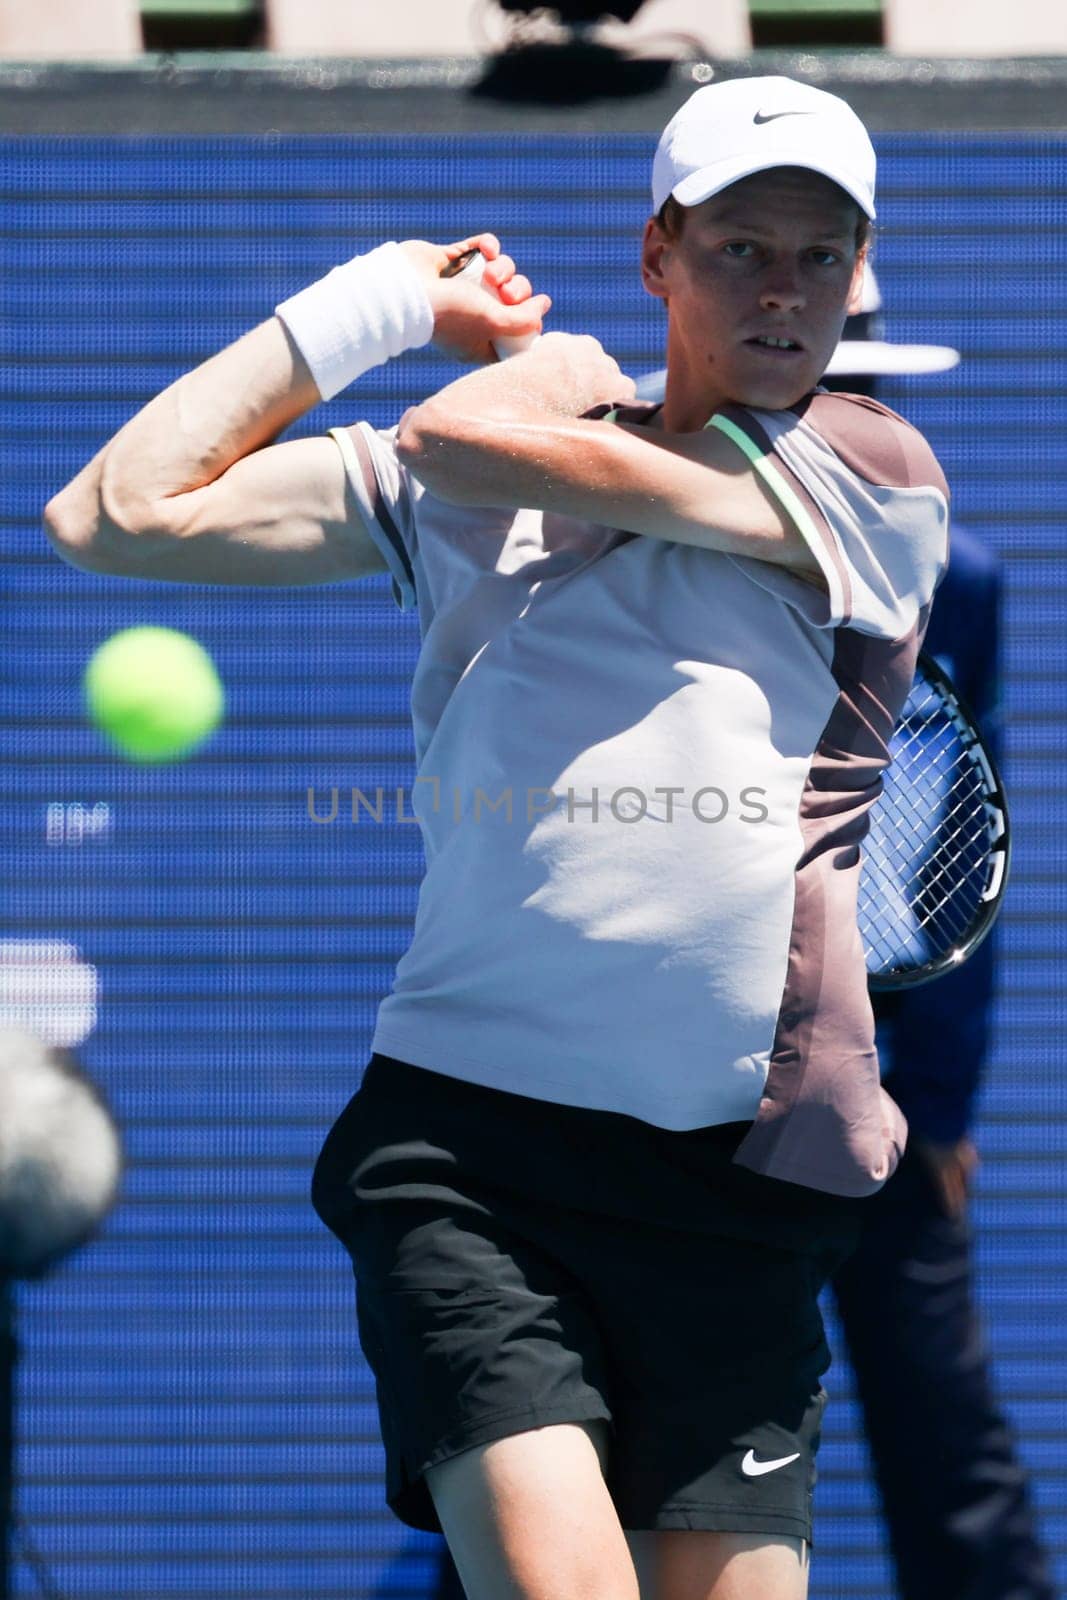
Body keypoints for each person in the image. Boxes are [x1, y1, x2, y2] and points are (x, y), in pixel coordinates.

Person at [42, 75, 952, 1600]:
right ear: (658, 249)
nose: (783, 290)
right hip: (470, 1163)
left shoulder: (875, 477)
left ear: (859, 276)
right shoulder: (473, 478)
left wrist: (523, 366)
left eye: (818, 252)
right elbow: (111, 510)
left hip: (740, 1186)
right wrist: (376, 298)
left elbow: (468, 439)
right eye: (739, 247)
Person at [819, 277, 1057, 1600]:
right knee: (619, 1411)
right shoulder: (656, 553)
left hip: (882, 1083)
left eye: (863, 385)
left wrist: (944, 1106)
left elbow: (971, 833)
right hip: (674, 1080)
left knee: (939, 1421)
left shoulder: (954, 580)